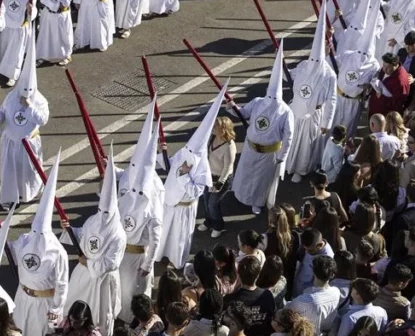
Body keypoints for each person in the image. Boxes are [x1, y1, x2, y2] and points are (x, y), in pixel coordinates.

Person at [155, 86, 226, 268]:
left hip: (184, 208)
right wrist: (160, 153)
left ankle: (176, 260)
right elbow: (170, 166)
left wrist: (185, 175)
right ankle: (159, 254)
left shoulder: (202, 168)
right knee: (165, 233)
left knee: (179, 236)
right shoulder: (185, 152)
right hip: (170, 202)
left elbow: (196, 191)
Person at [10, 152, 68, 336]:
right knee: (17, 333)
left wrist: (56, 309)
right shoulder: (26, 239)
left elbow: (62, 284)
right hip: (22, 296)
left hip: (42, 303)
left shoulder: (57, 252)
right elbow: (13, 250)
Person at [63, 154, 126, 336]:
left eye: (107, 213)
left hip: (101, 279)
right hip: (83, 273)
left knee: (100, 310)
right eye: (101, 211)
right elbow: (83, 235)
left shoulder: (118, 234)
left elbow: (111, 263)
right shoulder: (93, 220)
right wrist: (69, 231)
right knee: (75, 302)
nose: (103, 215)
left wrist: (88, 262)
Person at [233, 48, 294, 214]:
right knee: (246, 173)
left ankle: (256, 202)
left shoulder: (285, 111)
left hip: (269, 154)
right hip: (250, 147)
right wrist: (233, 108)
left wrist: (282, 156)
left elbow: (289, 136)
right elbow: (244, 113)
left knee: (261, 180)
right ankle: (240, 194)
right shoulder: (258, 102)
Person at [118, 102, 164, 317]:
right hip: (121, 251)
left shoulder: (153, 203)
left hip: (138, 254)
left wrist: (148, 264)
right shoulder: (129, 192)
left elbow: (155, 239)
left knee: (137, 289)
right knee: (121, 287)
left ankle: (135, 318)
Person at [0, 29, 47, 208]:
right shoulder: (11, 96)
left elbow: (42, 120)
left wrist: (28, 107)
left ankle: (28, 193)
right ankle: (9, 197)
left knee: (28, 171)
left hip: (28, 143)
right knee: (9, 171)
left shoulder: (39, 100)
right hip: (10, 141)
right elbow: (2, 109)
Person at [287, 5, 337, 179]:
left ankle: (301, 170)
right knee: (291, 139)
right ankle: (287, 164)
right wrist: (281, 68)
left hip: (313, 114)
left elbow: (331, 99)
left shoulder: (329, 75)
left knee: (306, 145)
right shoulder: (303, 65)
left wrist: (326, 122)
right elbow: (291, 76)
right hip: (296, 109)